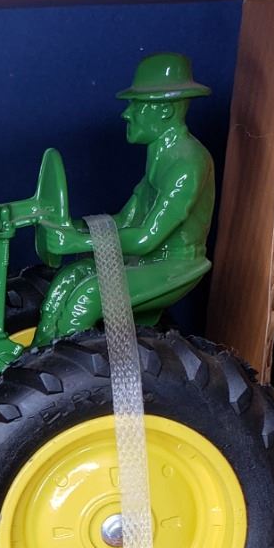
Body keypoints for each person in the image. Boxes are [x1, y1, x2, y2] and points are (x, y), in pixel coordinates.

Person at [35, 52, 216, 341]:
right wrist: (76, 228)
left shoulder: (187, 163)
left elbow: (146, 238)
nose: (127, 113)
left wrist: (78, 243)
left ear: (165, 110)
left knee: (87, 297)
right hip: (145, 259)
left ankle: (68, 368)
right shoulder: (162, 155)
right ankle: (36, 358)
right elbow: (126, 219)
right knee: (67, 280)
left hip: (174, 264)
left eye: (137, 105)